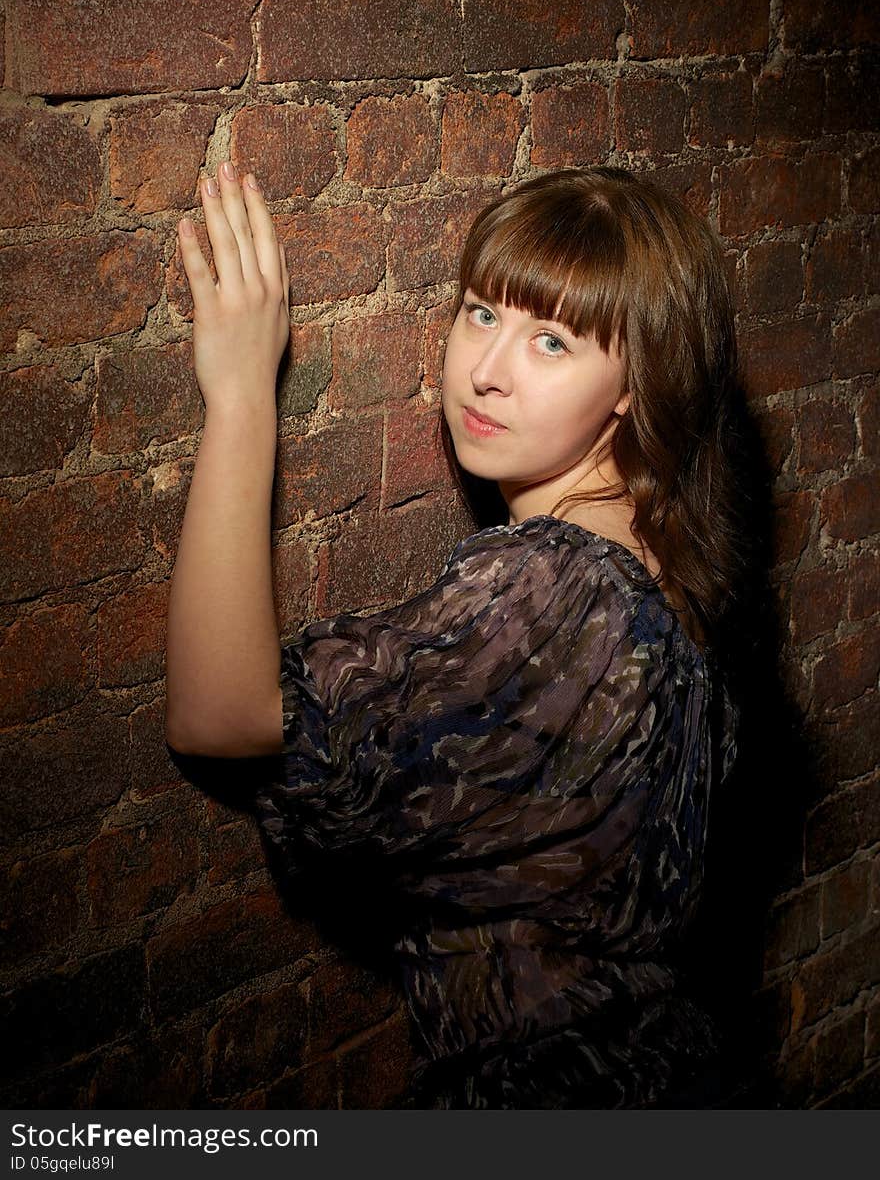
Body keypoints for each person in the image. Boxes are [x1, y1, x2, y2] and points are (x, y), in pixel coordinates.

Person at [165, 162, 744, 1109]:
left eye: (551, 340)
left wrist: (237, 394)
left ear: (638, 383)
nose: (486, 369)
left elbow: (221, 716)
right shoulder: (662, 572)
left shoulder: (552, 593)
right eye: (481, 312)